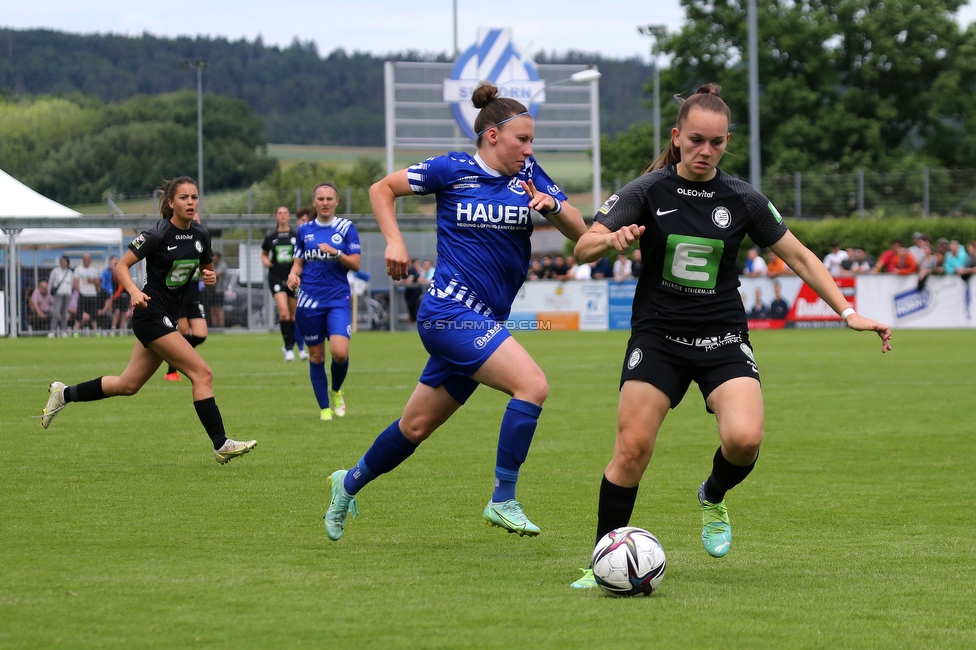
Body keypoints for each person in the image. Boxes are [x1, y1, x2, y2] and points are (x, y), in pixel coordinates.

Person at [568, 84, 891, 589]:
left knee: (744, 441)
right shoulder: (645, 191)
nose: (705, 151)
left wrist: (847, 311)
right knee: (631, 451)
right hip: (658, 337)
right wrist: (609, 239)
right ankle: (602, 561)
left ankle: (712, 495)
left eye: (716, 142)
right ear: (676, 137)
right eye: (695, 139)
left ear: (727, 142)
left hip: (722, 337)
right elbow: (583, 246)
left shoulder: (743, 198)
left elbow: (801, 256)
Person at [321, 81, 587, 543]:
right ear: (492, 137)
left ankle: (346, 484)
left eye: (532, 141)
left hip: (485, 321)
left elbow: (581, 234)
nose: (529, 148)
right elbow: (381, 188)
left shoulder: (531, 176)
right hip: (449, 313)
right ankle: (503, 498)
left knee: (415, 426)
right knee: (532, 384)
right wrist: (396, 240)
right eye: (522, 139)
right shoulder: (452, 168)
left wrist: (552, 208)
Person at [39, 176, 256, 464]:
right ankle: (221, 443)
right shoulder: (156, 235)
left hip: (168, 316)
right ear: (170, 203)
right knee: (203, 374)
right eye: (183, 198)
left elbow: (207, 273)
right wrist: (132, 292)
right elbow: (122, 267)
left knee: (128, 385)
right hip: (150, 314)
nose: (190, 202)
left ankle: (63, 394)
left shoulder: (201, 235)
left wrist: (210, 278)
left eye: (194, 197)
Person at [287, 182, 361, 420]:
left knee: (340, 353)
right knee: (316, 355)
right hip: (309, 300)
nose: (325, 203)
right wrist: (292, 275)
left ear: (336, 201)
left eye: (330, 199)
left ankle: (336, 390)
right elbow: (298, 262)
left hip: (338, 298)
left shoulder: (346, 227)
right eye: (321, 199)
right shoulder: (304, 230)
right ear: (314, 202)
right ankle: (324, 408)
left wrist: (336, 252)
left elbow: (356, 264)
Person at [164, 215, 210, 381]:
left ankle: (173, 355)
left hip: (194, 297)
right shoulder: (179, 243)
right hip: (179, 297)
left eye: (198, 221)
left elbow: (207, 268)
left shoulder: (202, 242)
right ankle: (171, 371)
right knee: (182, 333)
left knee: (200, 334)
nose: (196, 224)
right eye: (193, 221)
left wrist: (209, 276)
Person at [263, 205, 303, 361]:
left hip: (293, 279)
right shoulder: (271, 236)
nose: (283, 216)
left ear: (289, 216)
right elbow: (264, 253)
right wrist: (265, 260)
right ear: (276, 216)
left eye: (285, 213)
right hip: (276, 278)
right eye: (280, 213)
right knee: (284, 312)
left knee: (293, 316)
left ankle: (290, 345)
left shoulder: (296, 235)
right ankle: (288, 349)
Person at [73, 253, 101, 333]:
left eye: (90, 259)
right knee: (79, 312)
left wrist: (93, 281)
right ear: (84, 260)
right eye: (88, 259)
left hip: (92, 294)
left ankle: (95, 330)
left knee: (93, 313)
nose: (90, 260)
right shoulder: (78, 269)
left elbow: (97, 282)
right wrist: (80, 291)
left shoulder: (93, 270)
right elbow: (75, 282)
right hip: (83, 293)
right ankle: (76, 331)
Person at [48, 256, 74, 336]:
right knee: (56, 312)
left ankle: (63, 330)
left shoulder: (70, 273)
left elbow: (72, 284)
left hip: (67, 294)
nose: (63, 263)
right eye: (62, 261)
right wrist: (50, 295)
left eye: (65, 261)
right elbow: (51, 282)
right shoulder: (55, 271)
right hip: (58, 294)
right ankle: (52, 330)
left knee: (65, 313)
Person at [208, 251, 228, 329]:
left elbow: (217, 273)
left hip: (220, 290)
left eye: (215, 256)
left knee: (219, 308)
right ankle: (214, 325)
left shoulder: (223, 265)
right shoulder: (212, 264)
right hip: (212, 291)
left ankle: (221, 326)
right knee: (212, 309)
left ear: (218, 258)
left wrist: (210, 273)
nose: (213, 258)